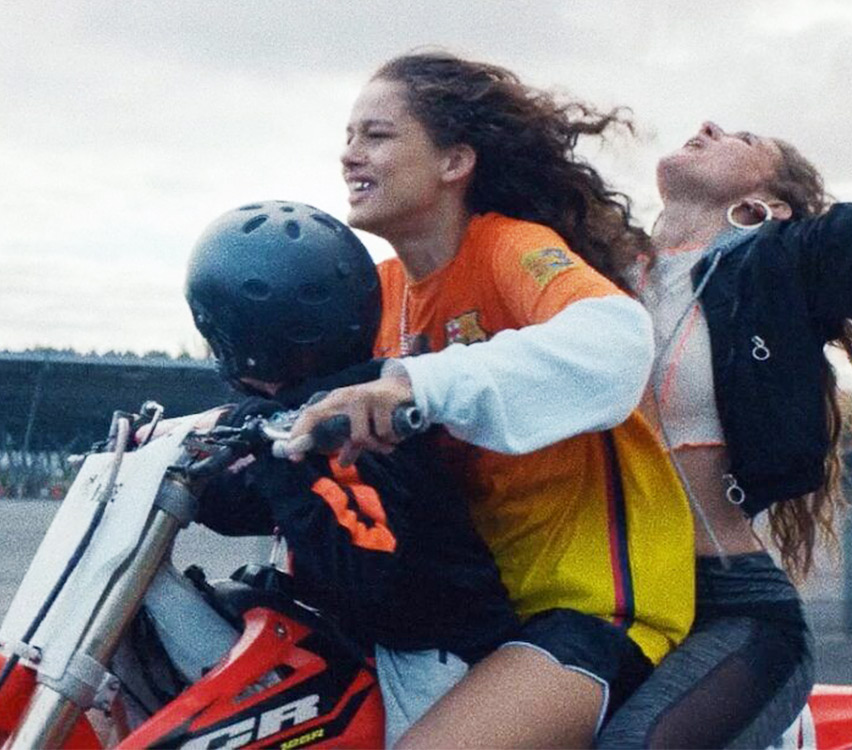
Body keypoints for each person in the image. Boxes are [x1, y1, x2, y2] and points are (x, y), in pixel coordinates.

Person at [287, 53, 695, 747]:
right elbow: (302, 404)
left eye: (377, 135)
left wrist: (421, 383)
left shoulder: (509, 248)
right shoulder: (380, 293)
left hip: (590, 611)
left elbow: (617, 340)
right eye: (349, 136)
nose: (349, 154)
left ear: (454, 162)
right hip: (470, 616)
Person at [596, 123, 852, 748]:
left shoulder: (784, 266)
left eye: (743, 138)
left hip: (726, 607)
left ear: (769, 206)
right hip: (590, 596)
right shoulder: (590, 275)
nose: (706, 127)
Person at [182, 200, 521, 747]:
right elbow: (259, 501)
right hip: (386, 638)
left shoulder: (339, 428)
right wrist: (191, 485)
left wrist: (268, 448)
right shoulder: (328, 408)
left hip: (432, 657)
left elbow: (370, 566)